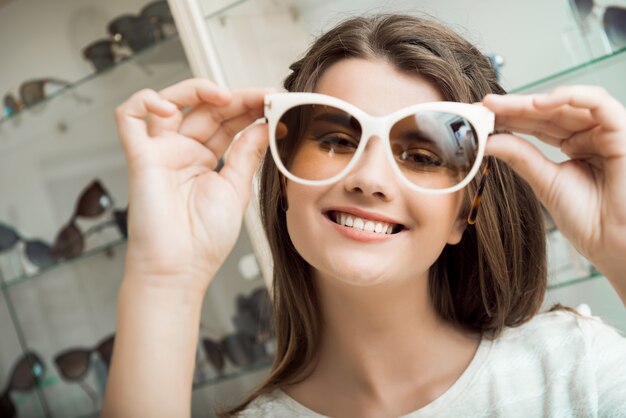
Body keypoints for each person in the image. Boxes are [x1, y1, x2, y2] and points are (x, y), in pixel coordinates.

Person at [101, 14, 626, 418]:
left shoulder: (573, 368)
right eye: (335, 140)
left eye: (421, 155)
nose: (368, 178)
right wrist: (165, 278)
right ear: (283, 178)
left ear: (465, 210)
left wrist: (620, 245)